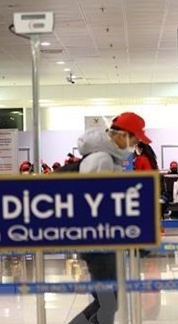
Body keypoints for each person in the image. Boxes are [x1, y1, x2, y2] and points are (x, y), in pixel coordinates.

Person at [69, 112, 151, 324]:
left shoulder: (105, 156)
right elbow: (95, 204)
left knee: (107, 300)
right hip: (97, 241)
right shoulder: (101, 159)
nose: (134, 144)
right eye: (134, 139)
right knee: (107, 301)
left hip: (101, 240)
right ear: (123, 135)